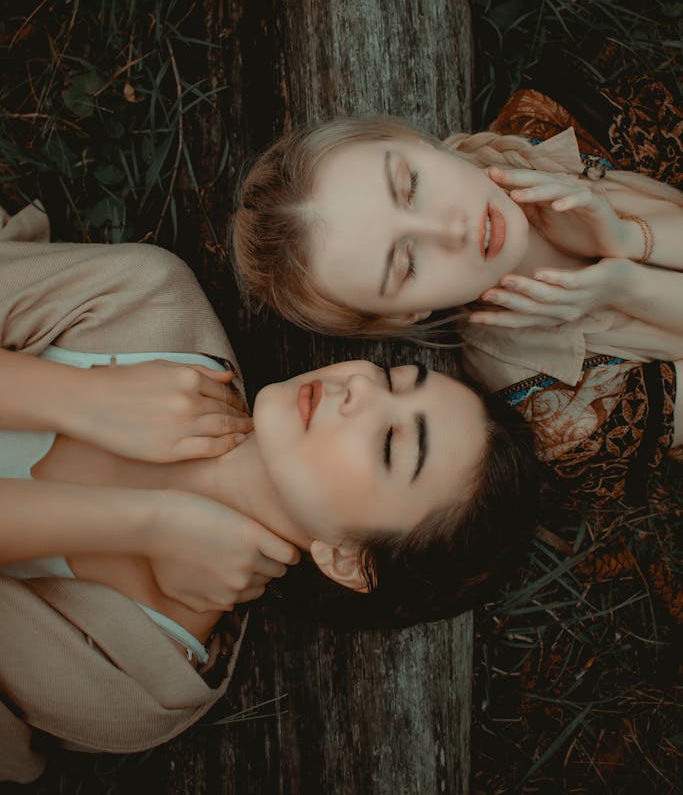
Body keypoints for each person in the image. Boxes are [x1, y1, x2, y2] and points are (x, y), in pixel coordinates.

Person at [0, 202, 538, 783]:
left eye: (389, 444)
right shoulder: (146, 300)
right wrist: (81, 398)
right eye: (391, 379)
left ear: (348, 560)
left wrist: (146, 522)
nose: (358, 385)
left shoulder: (137, 686)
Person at [231, 112, 683, 508]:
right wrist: (627, 285)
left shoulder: (548, 123)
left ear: (412, 140)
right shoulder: (562, 414)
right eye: (407, 265)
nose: (451, 229)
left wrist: (625, 238)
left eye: (411, 186)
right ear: (407, 315)